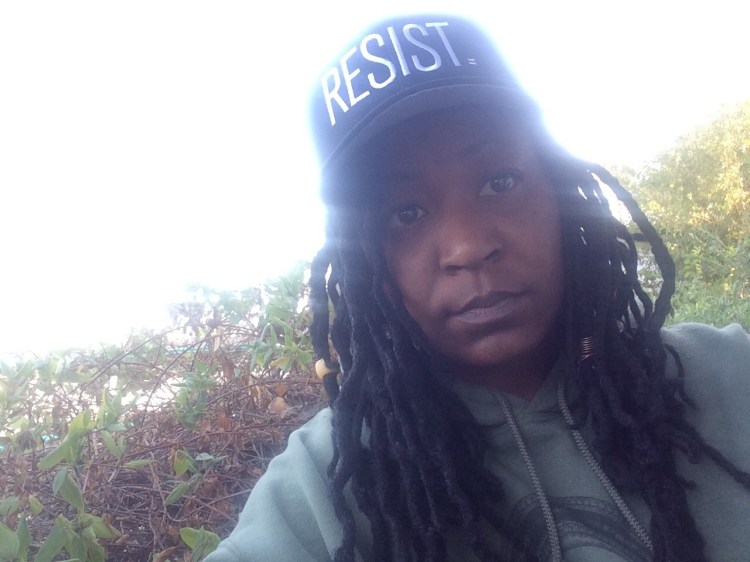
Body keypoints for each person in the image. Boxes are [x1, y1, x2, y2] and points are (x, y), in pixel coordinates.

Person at [206, 14, 750, 562]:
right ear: (366, 263)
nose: (467, 247)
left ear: (557, 193)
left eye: (499, 182)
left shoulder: (727, 375)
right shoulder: (320, 486)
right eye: (406, 213)